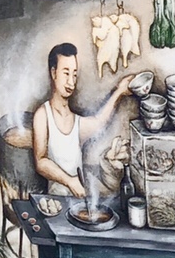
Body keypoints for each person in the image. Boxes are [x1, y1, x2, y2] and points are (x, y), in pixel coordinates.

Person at [32, 43, 133, 198]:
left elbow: (99, 121)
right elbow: (40, 162)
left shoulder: (76, 122)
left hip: (78, 200)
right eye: (66, 73)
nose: (71, 82)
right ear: (53, 73)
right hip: (56, 202)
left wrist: (119, 91)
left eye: (74, 74)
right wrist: (69, 181)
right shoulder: (43, 115)